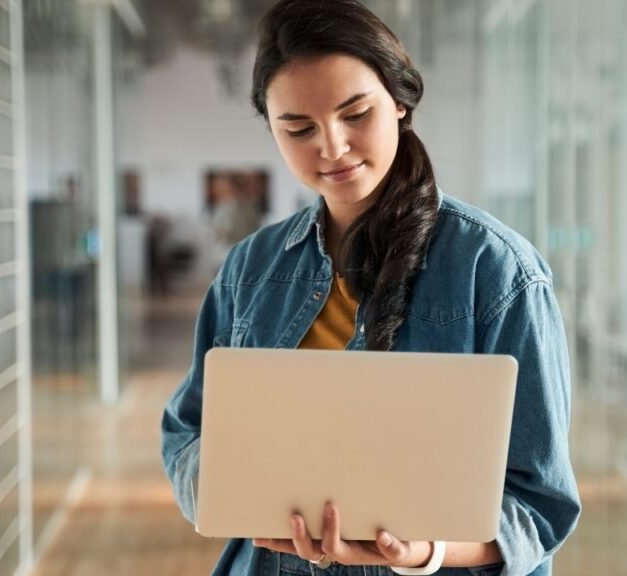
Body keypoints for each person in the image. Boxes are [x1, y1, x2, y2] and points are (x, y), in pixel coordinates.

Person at [161, 1, 581, 574]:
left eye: (355, 114)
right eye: (299, 129)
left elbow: (540, 506)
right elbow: (187, 430)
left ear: (399, 101)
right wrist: (233, 497)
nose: (332, 147)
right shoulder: (249, 268)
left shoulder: (497, 270)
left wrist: (425, 551)